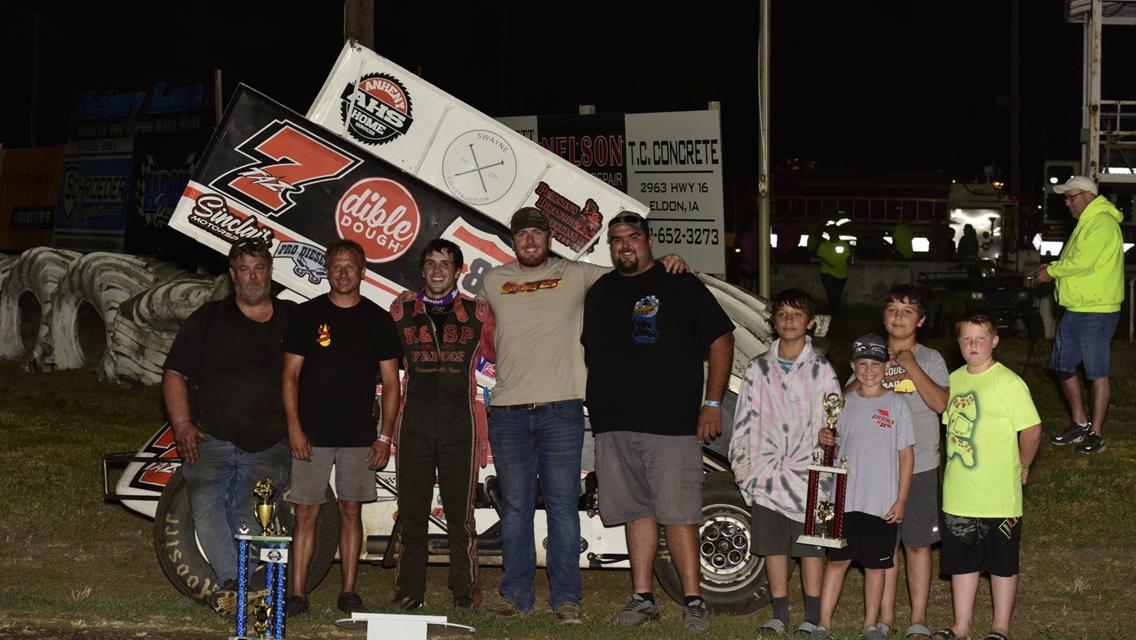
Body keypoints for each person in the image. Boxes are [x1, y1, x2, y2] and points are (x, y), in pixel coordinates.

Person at [477, 207, 686, 623]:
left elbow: (633, 271)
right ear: (512, 241)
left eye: (537, 233)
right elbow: (479, 328)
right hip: (508, 412)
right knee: (516, 507)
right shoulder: (493, 280)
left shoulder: (578, 274)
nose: (530, 241)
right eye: (522, 236)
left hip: (563, 409)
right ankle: (516, 595)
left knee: (560, 506)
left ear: (549, 238)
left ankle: (566, 598)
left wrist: (668, 262)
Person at [582, 211, 734, 634]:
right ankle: (643, 596)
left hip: (671, 423)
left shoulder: (680, 283)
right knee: (635, 510)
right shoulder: (601, 291)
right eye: (617, 239)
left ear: (649, 241)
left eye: (633, 237)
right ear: (610, 247)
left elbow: (722, 338)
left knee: (679, 513)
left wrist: (712, 403)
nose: (625, 245)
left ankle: (694, 600)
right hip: (614, 424)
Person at [162, 238, 294, 615]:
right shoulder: (207, 318)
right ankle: (236, 583)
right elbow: (174, 373)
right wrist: (183, 424)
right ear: (233, 275)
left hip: (269, 441)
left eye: (260, 268)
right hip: (210, 438)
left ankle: (244, 585)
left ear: (270, 272)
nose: (253, 277)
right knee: (205, 503)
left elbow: (322, 370)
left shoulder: (294, 320)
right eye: (245, 269)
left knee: (246, 507)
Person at [282, 239, 403, 617]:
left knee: (352, 512)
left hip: (358, 436)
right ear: (327, 270)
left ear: (363, 271)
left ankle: (348, 592)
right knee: (305, 514)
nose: (343, 273)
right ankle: (297, 594)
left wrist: (385, 436)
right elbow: (289, 377)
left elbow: (392, 384)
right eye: (336, 266)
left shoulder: (379, 320)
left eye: (350, 266)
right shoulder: (305, 316)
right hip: (312, 435)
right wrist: (295, 429)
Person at [388, 239, 494, 610]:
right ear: (421, 270)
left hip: (459, 424)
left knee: (460, 516)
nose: (437, 270)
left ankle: (464, 591)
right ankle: (409, 591)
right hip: (413, 422)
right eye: (431, 263)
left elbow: (502, 353)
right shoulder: (400, 311)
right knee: (412, 512)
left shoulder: (478, 312)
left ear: (458, 270)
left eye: (445, 264)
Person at [729, 288, 840, 636]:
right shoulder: (758, 368)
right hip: (767, 474)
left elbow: (835, 420)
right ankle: (779, 613)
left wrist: (829, 439)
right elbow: (743, 418)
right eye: (782, 314)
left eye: (797, 314)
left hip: (810, 475)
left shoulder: (822, 369)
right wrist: (744, 467)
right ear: (774, 322)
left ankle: (811, 614)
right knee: (774, 547)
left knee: (810, 548)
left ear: (810, 323)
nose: (789, 320)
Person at [845, 286, 948, 640]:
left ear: (920, 319)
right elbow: (842, 402)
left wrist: (911, 365)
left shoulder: (931, 358)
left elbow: (940, 404)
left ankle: (918, 617)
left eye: (908, 310)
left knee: (917, 543)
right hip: (875, 471)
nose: (899, 316)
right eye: (892, 309)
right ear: (884, 317)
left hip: (919, 465)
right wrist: (873, 369)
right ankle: (883, 618)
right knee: (883, 546)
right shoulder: (870, 357)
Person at [933, 312, 1041, 640]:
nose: (973, 344)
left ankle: (1000, 627)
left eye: (981, 338)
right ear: (958, 343)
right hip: (959, 494)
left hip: (998, 496)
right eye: (966, 338)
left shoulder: (1008, 382)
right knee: (962, 563)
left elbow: (1032, 430)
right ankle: (962, 625)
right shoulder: (953, 380)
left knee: (1001, 564)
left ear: (994, 341)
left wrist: (1023, 466)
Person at [811, 334, 914, 640]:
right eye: (862, 363)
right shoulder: (841, 405)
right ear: (853, 366)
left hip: (880, 502)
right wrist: (823, 438)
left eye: (876, 363)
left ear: (887, 365)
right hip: (845, 501)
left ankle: (871, 624)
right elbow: (830, 445)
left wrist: (901, 500)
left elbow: (906, 457)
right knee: (837, 563)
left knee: (875, 566)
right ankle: (823, 624)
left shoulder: (897, 405)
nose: (869, 370)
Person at [1035, 175, 1124, 454]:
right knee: (1062, 366)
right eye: (1065, 198)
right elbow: (1076, 260)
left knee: (1097, 374)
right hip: (1075, 309)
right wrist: (1055, 266)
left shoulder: (1103, 223)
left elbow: (1082, 262)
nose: (1067, 203)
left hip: (1096, 311)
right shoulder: (1085, 224)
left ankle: (1096, 434)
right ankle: (1080, 423)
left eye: (1070, 197)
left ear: (1087, 196)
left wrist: (1051, 271)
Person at [814, 222, 852, 315]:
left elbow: (848, 258)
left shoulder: (844, 245)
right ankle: (832, 312)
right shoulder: (824, 245)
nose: (832, 234)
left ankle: (836, 311)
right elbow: (820, 257)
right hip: (827, 272)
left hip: (842, 273)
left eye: (834, 232)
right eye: (830, 232)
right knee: (831, 292)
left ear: (838, 233)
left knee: (837, 294)